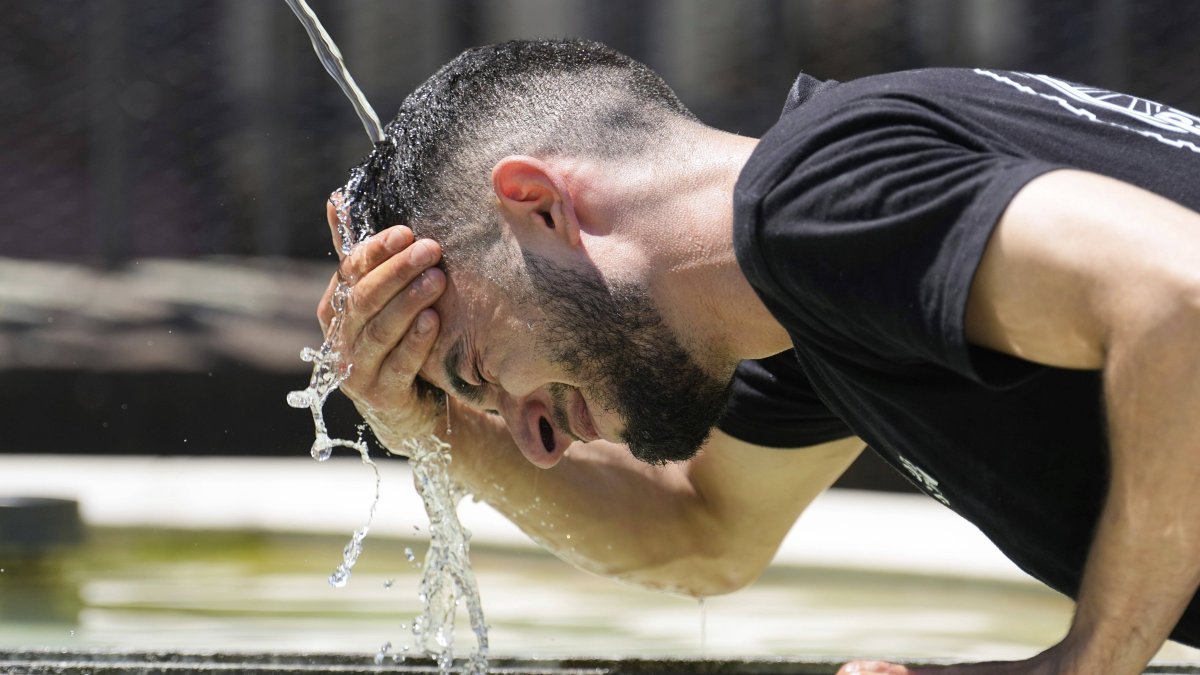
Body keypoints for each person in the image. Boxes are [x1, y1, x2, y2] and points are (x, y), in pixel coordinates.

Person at [315, 38, 1200, 675]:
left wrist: (1087, 663)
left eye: (477, 370)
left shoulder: (814, 197)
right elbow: (704, 537)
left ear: (540, 206)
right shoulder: (811, 297)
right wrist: (430, 429)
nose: (535, 439)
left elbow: (1178, 301)